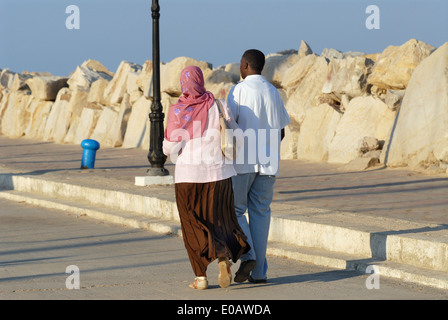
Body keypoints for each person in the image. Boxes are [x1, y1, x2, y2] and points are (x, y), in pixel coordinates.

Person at [163, 65, 250, 290]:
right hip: (219, 175)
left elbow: (168, 148)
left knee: (192, 224)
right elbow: (235, 133)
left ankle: (201, 277)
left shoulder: (177, 111)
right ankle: (223, 257)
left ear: (183, 84)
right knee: (220, 220)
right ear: (201, 81)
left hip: (188, 177)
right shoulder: (219, 104)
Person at [227, 49, 290, 283]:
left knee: (235, 210)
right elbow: (282, 130)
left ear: (244, 65)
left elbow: (230, 125)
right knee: (261, 214)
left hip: (244, 162)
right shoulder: (273, 92)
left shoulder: (238, 90)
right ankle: (260, 273)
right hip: (269, 163)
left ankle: (250, 255)